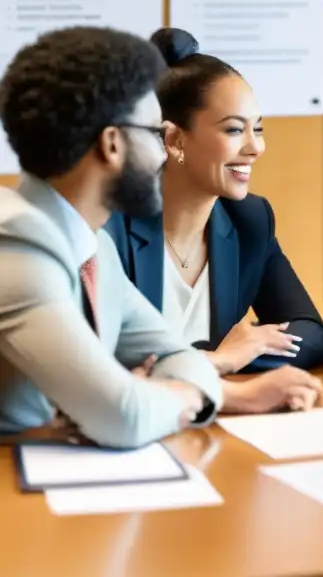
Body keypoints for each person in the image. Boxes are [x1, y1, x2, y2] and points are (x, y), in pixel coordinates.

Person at [0, 26, 223, 448]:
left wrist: (164, 394)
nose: (164, 154)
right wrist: (138, 400)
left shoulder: (93, 244)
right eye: (157, 135)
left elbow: (183, 358)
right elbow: (124, 418)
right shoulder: (15, 247)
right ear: (112, 144)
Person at [104, 28, 323, 413]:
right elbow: (102, 367)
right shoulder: (111, 227)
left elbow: (311, 333)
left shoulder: (249, 219)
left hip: (211, 421)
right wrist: (216, 360)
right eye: (233, 129)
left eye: (257, 128)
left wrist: (243, 356)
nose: (255, 147)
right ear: (173, 139)